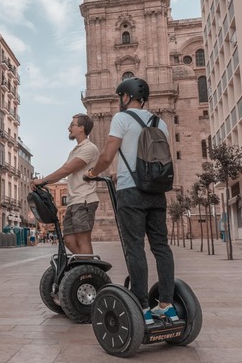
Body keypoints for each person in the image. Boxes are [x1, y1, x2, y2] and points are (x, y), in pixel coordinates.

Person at [86, 77, 178, 325]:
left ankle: (142, 306)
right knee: (161, 247)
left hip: (131, 192)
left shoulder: (121, 118)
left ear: (125, 97)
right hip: (156, 192)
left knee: (134, 247)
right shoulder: (160, 122)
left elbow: (107, 154)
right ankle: (167, 305)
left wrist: (93, 173)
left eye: (121, 97)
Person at [31, 113, 99, 255]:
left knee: (83, 239)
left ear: (81, 128)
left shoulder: (90, 148)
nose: (69, 128)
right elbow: (63, 171)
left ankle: (88, 271)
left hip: (85, 199)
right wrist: (44, 184)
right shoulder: (75, 150)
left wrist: (42, 180)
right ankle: (86, 266)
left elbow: (67, 169)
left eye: (72, 125)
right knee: (68, 240)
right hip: (74, 201)